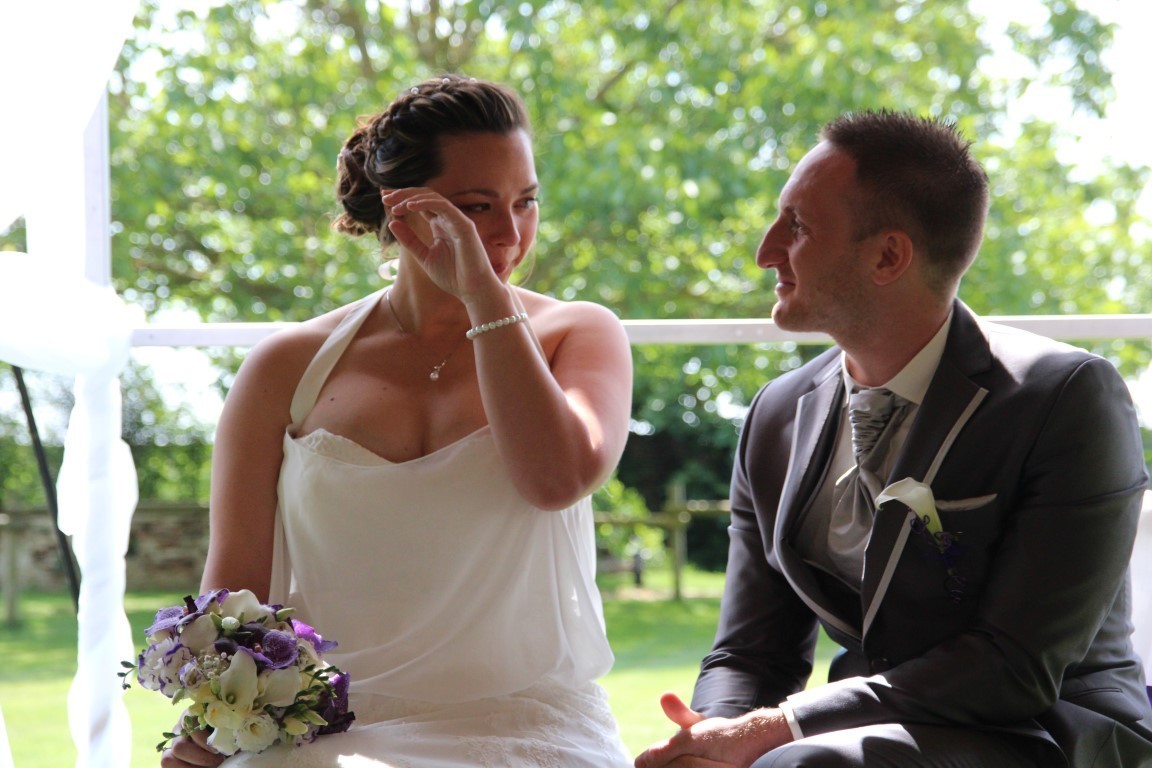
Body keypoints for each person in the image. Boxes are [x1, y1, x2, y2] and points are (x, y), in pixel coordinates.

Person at [635, 111, 1152, 767]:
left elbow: (1012, 667)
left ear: (888, 255)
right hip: (875, 732)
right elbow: (750, 650)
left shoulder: (1066, 396)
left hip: (1046, 731)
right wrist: (712, 736)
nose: (765, 250)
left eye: (796, 226)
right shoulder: (776, 414)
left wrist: (781, 727)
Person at [161, 74, 634, 768]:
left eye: (527, 202)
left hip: (527, 724)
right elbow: (234, 592)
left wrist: (481, 295)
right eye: (478, 207)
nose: (510, 233)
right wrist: (214, 718)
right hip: (327, 729)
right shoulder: (285, 367)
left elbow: (557, 477)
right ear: (402, 210)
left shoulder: (578, 334)